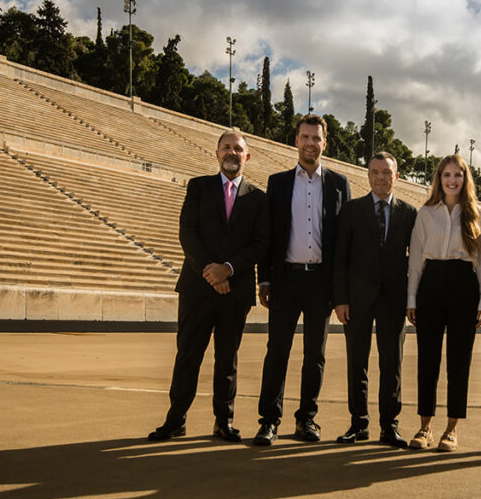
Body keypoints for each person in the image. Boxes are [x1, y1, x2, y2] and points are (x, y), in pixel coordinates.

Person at [148, 130, 269, 443]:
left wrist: (228, 269)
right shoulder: (198, 187)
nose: (232, 152)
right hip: (197, 287)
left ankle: (223, 421)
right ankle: (175, 420)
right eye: (226, 147)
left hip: (237, 289)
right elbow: (187, 233)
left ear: (247, 156)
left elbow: (260, 244)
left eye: (238, 149)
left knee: (227, 359)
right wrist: (211, 273)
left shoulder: (258, 197)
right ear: (217, 153)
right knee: (188, 354)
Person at [253, 114, 351, 446]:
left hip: (321, 283)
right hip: (286, 281)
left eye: (316, 138)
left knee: (315, 355)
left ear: (325, 143)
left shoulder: (339, 184)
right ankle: (269, 420)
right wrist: (264, 279)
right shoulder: (278, 183)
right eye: (305, 137)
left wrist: (340, 291)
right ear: (296, 141)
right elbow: (268, 236)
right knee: (277, 351)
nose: (310, 143)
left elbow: (343, 242)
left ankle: (306, 418)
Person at [406, 154, 481, 452]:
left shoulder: (478, 215)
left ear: (465, 179)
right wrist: (412, 298)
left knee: (459, 360)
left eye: (458, 175)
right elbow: (415, 259)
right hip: (431, 282)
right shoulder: (426, 213)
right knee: (427, 359)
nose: (452, 180)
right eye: (446, 175)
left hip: (463, 285)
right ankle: (424, 426)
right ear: (438, 179)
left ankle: (451, 429)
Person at [333, 152, 417, 448]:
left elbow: (416, 261)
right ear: (368, 176)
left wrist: (412, 300)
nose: (380, 177)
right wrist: (340, 299)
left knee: (391, 363)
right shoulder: (351, 210)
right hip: (356, 299)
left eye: (386, 172)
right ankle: (359, 423)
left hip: (393, 300)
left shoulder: (410, 213)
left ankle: (389, 425)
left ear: (397, 177)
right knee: (357, 362)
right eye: (375, 172)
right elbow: (340, 258)